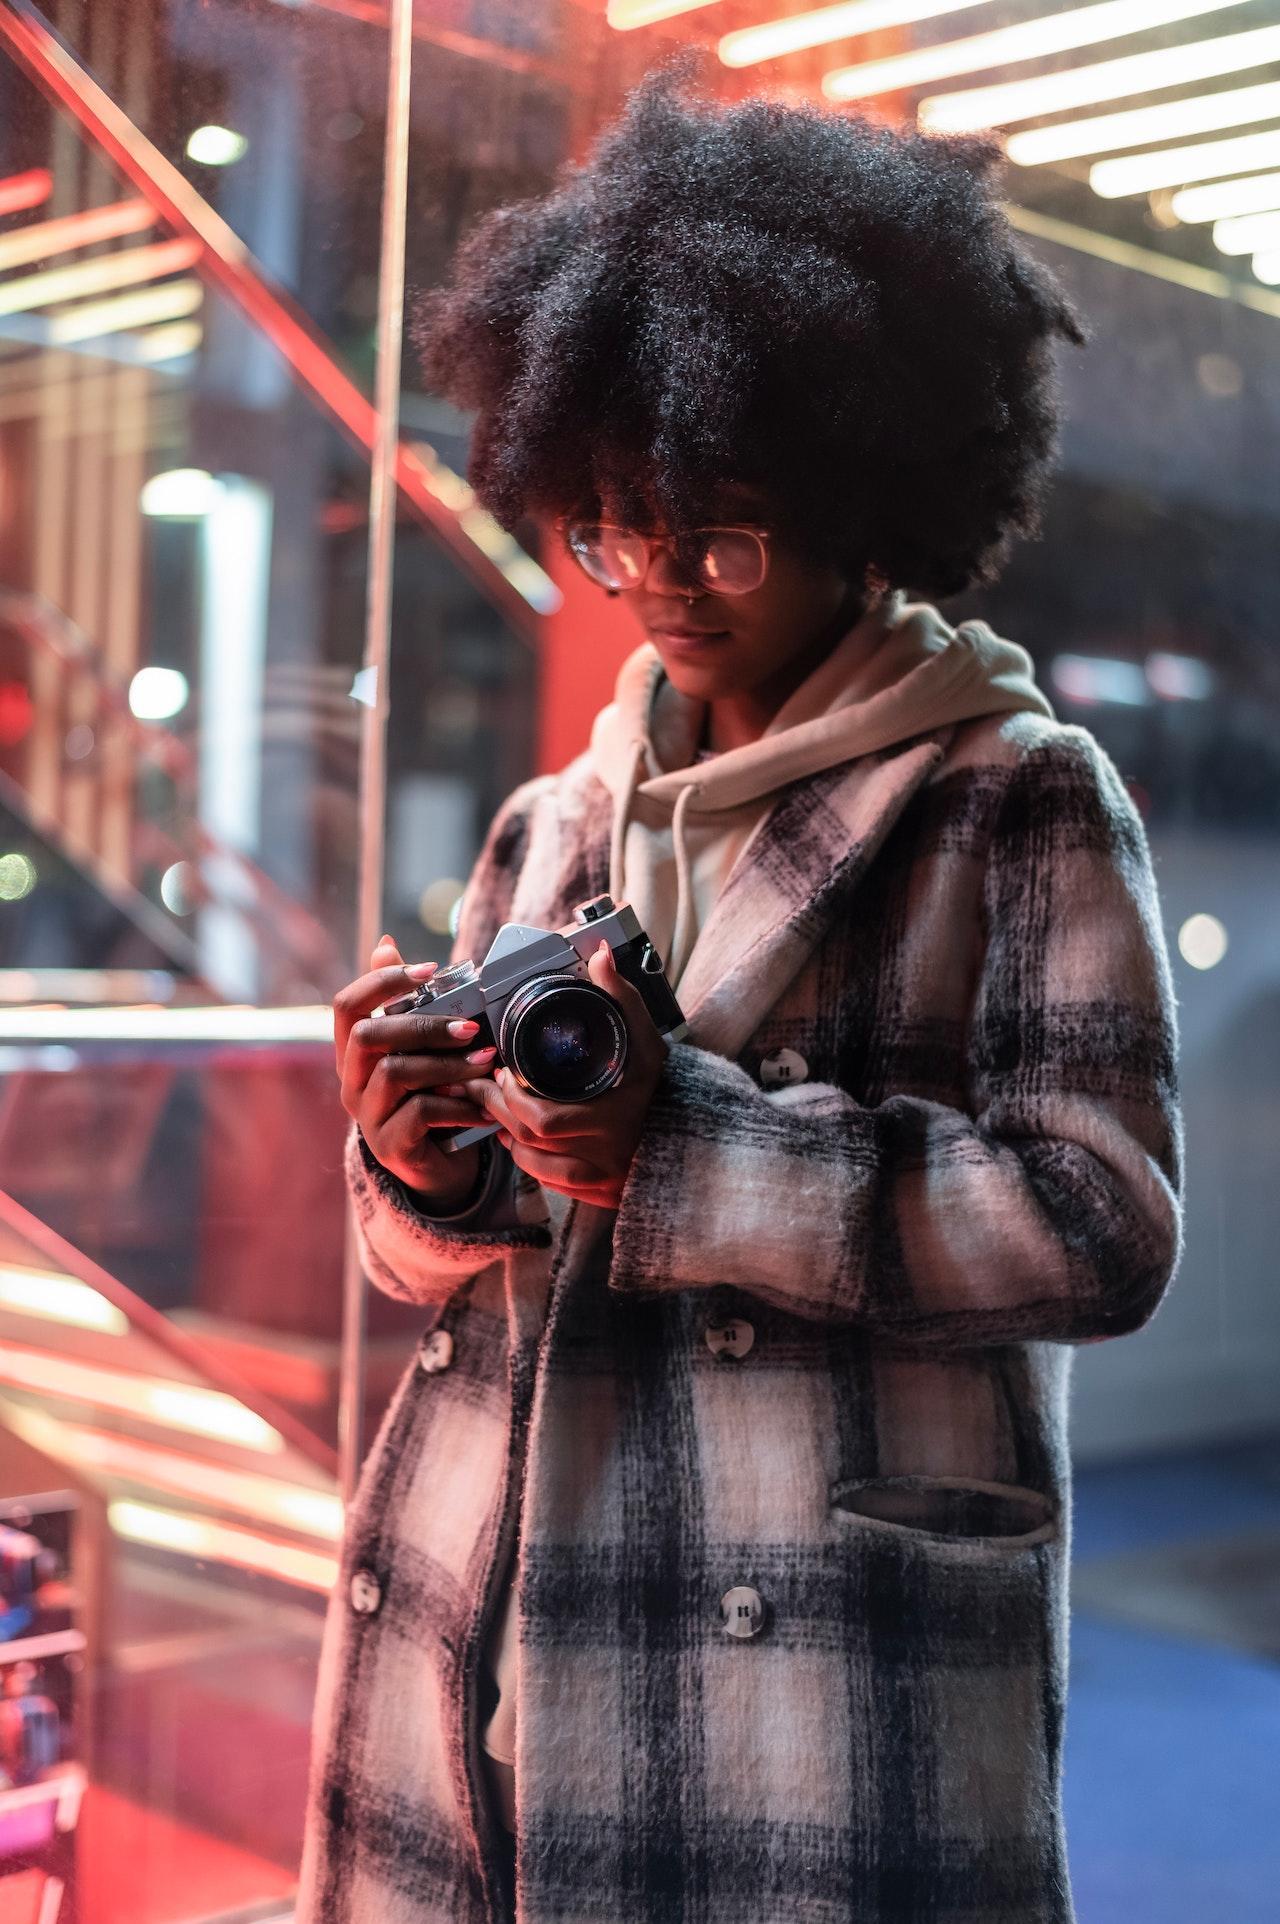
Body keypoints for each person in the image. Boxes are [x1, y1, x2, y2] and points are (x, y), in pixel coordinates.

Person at [297, 54, 1184, 1924]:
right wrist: (427, 1174)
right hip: (488, 1632)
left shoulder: (1011, 795)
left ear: (874, 500)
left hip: (805, 1671)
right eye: (612, 528)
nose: (662, 587)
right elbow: (462, 1249)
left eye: (723, 531)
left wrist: (692, 1156)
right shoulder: (561, 813)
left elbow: (1102, 1226)